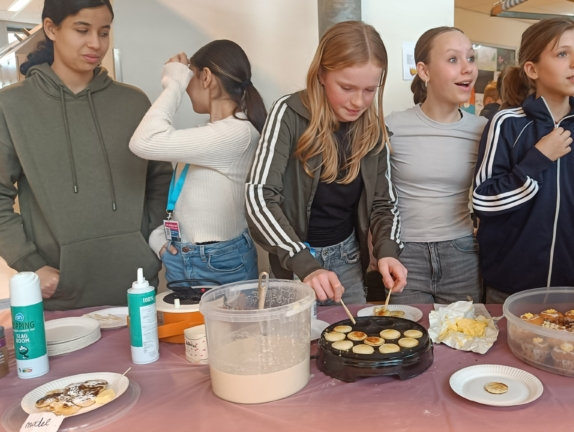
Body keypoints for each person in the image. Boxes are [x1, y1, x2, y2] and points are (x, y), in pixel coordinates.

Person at [0, 0, 171, 310]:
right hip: (58, 291)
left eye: (104, 32)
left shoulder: (133, 102)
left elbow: (159, 177)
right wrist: (30, 263)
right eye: (82, 30)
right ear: (51, 28)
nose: (96, 43)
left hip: (136, 285)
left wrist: (147, 239)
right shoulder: (11, 106)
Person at [245, 21, 407, 304]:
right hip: (295, 261)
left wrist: (388, 251)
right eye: (346, 87)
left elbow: (385, 204)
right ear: (321, 74)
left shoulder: (374, 130)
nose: (359, 101)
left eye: (370, 89)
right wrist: (303, 262)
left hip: (348, 258)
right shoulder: (288, 114)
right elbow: (259, 196)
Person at [472, 17, 574, 304]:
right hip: (509, 286)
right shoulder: (507, 124)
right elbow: (483, 201)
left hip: (572, 287)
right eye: (563, 53)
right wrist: (537, 159)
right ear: (532, 69)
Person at [130, 40, 266, 285]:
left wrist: (173, 84)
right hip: (187, 257)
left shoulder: (237, 134)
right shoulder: (213, 134)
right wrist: (160, 240)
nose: (186, 87)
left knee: (224, 326)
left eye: (189, 79)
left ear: (206, 77)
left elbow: (143, 142)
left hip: (216, 262)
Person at [386, 27, 487, 304]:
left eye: (471, 58)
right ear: (424, 71)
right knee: (408, 341)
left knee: (464, 340)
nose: (467, 69)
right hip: (405, 255)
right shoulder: (392, 125)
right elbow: (375, 195)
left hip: (461, 253)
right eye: (453, 60)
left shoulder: (484, 130)